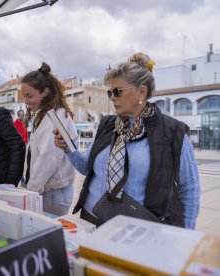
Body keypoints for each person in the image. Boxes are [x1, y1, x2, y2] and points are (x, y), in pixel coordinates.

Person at [54, 52, 200, 228]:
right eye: (110, 92)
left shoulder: (173, 132)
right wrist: (69, 149)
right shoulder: (107, 124)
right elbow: (87, 167)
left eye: (118, 91)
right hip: (89, 220)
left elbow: (189, 190)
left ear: (141, 92)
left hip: (135, 231)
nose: (112, 97)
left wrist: (187, 236)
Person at [21, 62, 78, 216]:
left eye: (29, 96)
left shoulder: (55, 117)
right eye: (24, 96)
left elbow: (48, 158)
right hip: (48, 192)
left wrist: (29, 193)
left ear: (45, 92)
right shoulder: (46, 114)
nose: (26, 101)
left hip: (51, 194)